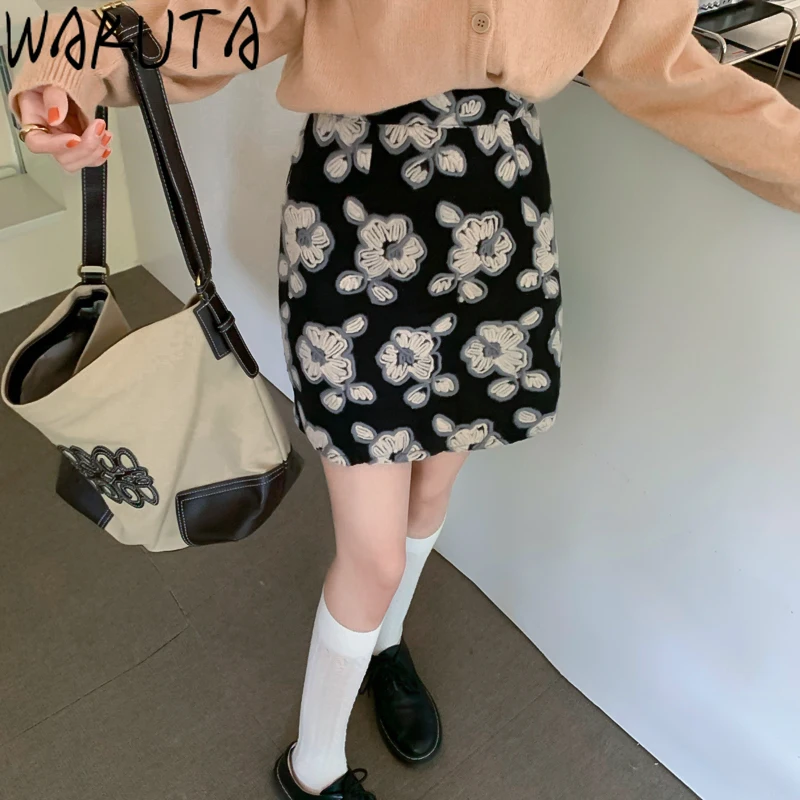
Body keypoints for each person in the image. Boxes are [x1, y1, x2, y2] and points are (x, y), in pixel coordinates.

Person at [10, 1, 800, 797]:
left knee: (430, 490)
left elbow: (660, 66)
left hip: (493, 231)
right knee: (374, 552)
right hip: (354, 225)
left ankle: (386, 644)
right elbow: (216, 14)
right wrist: (66, 73)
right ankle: (311, 768)